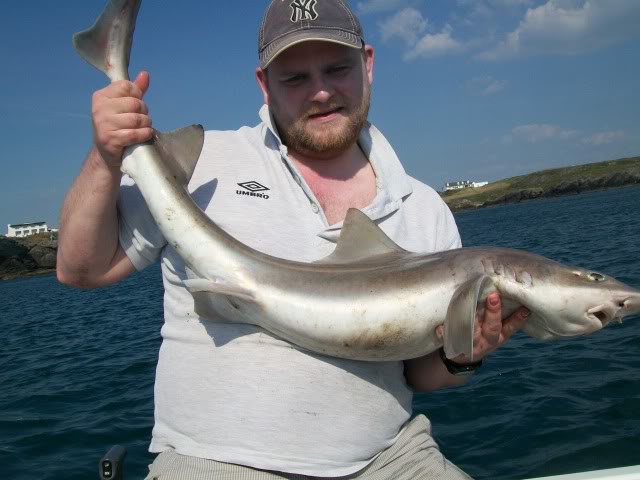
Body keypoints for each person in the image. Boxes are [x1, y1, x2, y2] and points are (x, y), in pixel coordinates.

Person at [57, 1, 529, 478]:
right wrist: (106, 155)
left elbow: (418, 373)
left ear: (368, 63)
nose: (321, 92)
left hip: (389, 459)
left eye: (337, 69)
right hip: (220, 461)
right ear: (264, 84)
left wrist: (462, 358)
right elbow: (81, 269)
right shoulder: (203, 163)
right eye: (295, 78)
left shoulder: (423, 209)